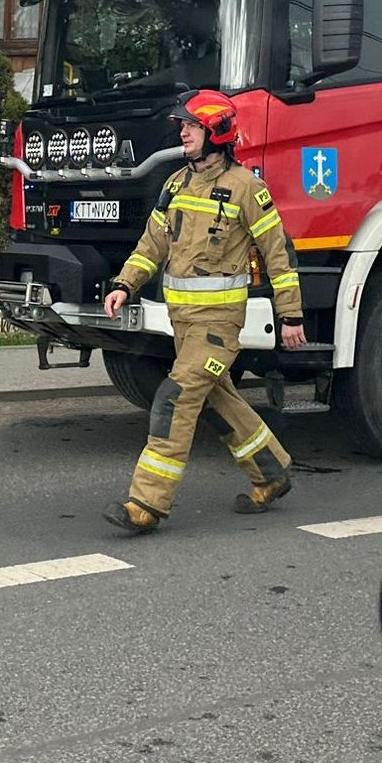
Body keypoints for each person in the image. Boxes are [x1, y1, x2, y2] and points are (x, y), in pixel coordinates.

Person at [101, 90, 306, 534]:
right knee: (217, 400)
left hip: (218, 326)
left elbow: (278, 256)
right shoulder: (175, 184)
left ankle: (146, 504)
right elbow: (151, 246)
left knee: (174, 399)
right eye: (183, 126)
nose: (183, 132)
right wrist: (124, 284)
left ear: (217, 131)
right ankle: (271, 472)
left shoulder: (247, 188)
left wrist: (291, 317)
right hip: (184, 324)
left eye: (192, 126)